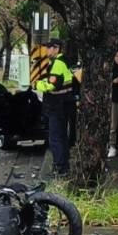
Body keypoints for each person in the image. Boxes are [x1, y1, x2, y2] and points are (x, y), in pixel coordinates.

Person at [33, 38, 76, 176]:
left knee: (55, 138)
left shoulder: (57, 63)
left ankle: (60, 168)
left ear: (56, 48)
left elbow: (51, 85)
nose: (47, 50)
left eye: (49, 47)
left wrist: (36, 84)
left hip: (57, 106)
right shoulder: (65, 61)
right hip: (66, 104)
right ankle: (64, 164)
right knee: (63, 136)